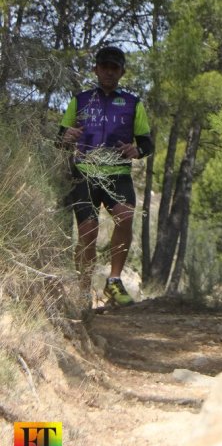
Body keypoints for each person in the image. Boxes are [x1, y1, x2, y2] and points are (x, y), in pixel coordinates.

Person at [58, 46, 153, 306]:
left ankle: (113, 282)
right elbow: (60, 139)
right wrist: (66, 138)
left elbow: (147, 144)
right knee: (88, 232)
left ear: (122, 72)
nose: (109, 72)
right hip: (85, 174)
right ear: (96, 69)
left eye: (115, 68)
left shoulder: (133, 103)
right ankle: (83, 289)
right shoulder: (80, 100)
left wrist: (136, 150)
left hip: (118, 174)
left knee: (125, 217)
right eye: (105, 67)